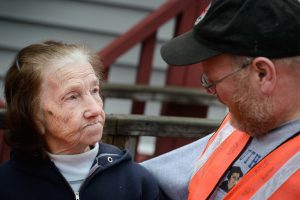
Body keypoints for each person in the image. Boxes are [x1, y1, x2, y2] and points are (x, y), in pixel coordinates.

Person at [142, 0, 300, 199]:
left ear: (262, 74)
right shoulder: (250, 118)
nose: (210, 90)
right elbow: (160, 181)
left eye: (212, 81)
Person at [0, 41, 161, 200]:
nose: (96, 110)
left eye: (94, 90)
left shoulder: (136, 183)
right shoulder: (7, 186)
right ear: (33, 115)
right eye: (72, 97)